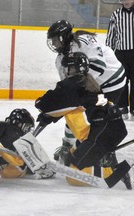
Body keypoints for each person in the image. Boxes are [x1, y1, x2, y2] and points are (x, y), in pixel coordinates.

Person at [46, 19, 129, 185]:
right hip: (96, 85)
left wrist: (80, 95)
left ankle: (106, 156)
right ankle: (71, 144)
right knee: (76, 109)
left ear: (63, 37)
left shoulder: (83, 41)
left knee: (98, 119)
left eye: (55, 39)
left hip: (111, 81)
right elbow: (67, 86)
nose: (53, 44)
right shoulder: (60, 59)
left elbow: (99, 66)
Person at [35, 52, 131, 188]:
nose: (66, 71)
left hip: (102, 132)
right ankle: (102, 157)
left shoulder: (72, 85)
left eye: (69, 67)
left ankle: (112, 171)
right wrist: (51, 115)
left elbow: (47, 103)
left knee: (74, 174)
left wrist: (41, 105)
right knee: (70, 159)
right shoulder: (88, 82)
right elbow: (69, 105)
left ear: (75, 68)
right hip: (111, 127)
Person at [106, 0, 134, 120]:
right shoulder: (116, 14)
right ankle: (122, 108)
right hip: (120, 54)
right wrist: (108, 54)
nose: (127, 1)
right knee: (122, 81)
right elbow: (111, 35)